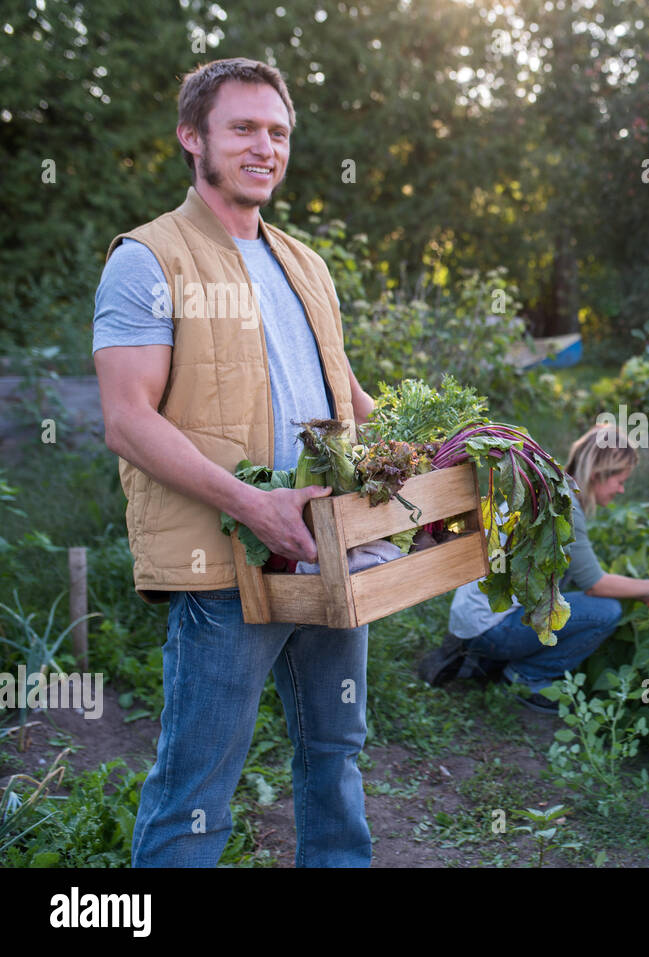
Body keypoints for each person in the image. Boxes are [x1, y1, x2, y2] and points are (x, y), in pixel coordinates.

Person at [93, 58, 376, 867]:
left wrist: (434, 467)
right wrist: (256, 506)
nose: (265, 147)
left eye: (278, 132)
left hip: (327, 547)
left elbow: (348, 395)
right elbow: (127, 419)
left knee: (335, 755)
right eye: (244, 128)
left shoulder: (305, 263)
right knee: (197, 792)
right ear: (193, 137)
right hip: (222, 565)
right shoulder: (148, 259)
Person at [425, 423, 649, 713]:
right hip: (489, 629)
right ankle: (525, 678)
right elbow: (595, 584)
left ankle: (487, 660)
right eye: (620, 480)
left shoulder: (549, 490)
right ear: (599, 474)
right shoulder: (566, 507)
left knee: (570, 599)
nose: (622, 489)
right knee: (606, 612)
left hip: (473, 621)